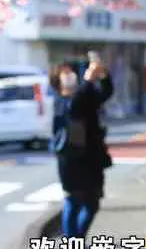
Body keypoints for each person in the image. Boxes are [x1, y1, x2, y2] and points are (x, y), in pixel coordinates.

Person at [49, 59, 114, 238]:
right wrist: (88, 80)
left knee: (92, 203)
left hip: (92, 157)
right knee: (74, 200)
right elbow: (74, 108)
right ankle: (72, 243)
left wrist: (103, 75)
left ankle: (77, 239)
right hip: (71, 159)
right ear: (57, 79)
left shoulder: (85, 94)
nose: (70, 74)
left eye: (70, 71)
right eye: (65, 72)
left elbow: (105, 93)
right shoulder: (60, 100)